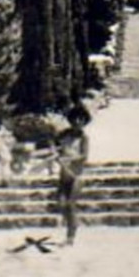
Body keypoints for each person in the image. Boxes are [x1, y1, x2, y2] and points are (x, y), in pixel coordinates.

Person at [53, 104, 91, 245]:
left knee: (70, 204)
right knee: (62, 204)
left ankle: (70, 237)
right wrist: (56, 155)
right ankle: (72, 224)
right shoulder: (63, 135)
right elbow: (54, 147)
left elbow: (84, 156)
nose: (78, 122)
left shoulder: (84, 138)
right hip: (64, 174)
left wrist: (69, 158)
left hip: (77, 175)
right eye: (75, 119)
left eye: (81, 120)